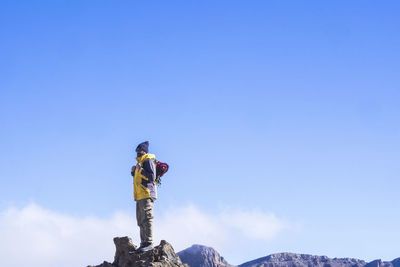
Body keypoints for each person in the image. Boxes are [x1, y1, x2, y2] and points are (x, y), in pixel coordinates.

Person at [131, 141, 157, 252]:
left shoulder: (148, 161)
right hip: (139, 195)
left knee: (147, 218)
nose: (138, 152)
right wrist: (133, 172)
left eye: (140, 150)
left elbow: (152, 177)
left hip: (146, 194)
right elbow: (140, 178)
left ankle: (149, 242)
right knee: (141, 220)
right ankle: (143, 243)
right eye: (137, 150)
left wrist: (140, 170)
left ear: (144, 151)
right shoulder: (139, 163)